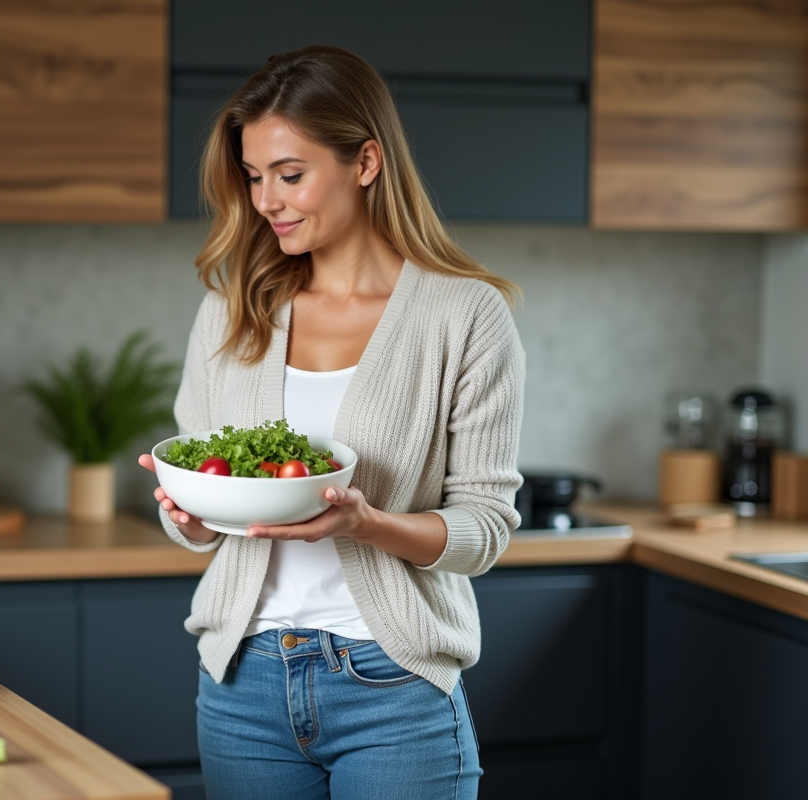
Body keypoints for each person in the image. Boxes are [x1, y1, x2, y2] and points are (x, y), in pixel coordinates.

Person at [138, 44, 524, 800]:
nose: (266, 200)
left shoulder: (464, 315)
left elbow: (485, 530)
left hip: (393, 688)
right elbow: (202, 518)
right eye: (253, 177)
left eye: (290, 174)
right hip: (242, 683)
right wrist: (188, 515)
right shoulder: (231, 310)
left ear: (366, 162)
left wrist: (365, 523)